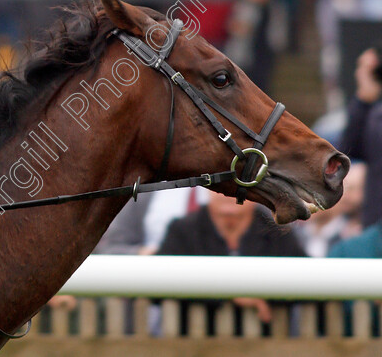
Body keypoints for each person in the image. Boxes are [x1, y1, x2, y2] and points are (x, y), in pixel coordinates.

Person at [154, 191, 307, 335]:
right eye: (223, 185)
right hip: (194, 344)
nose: (230, 193)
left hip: (264, 345)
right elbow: (156, 284)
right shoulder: (183, 230)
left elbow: (308, 279)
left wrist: (261, 294)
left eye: (241, 185)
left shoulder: (276, 232)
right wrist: (231, 293)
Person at [340, 47, 382, 228]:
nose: (359, 73)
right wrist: (364, 100)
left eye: (366, 68)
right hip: (375, 224)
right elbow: (350, 149)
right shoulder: (372, 114)